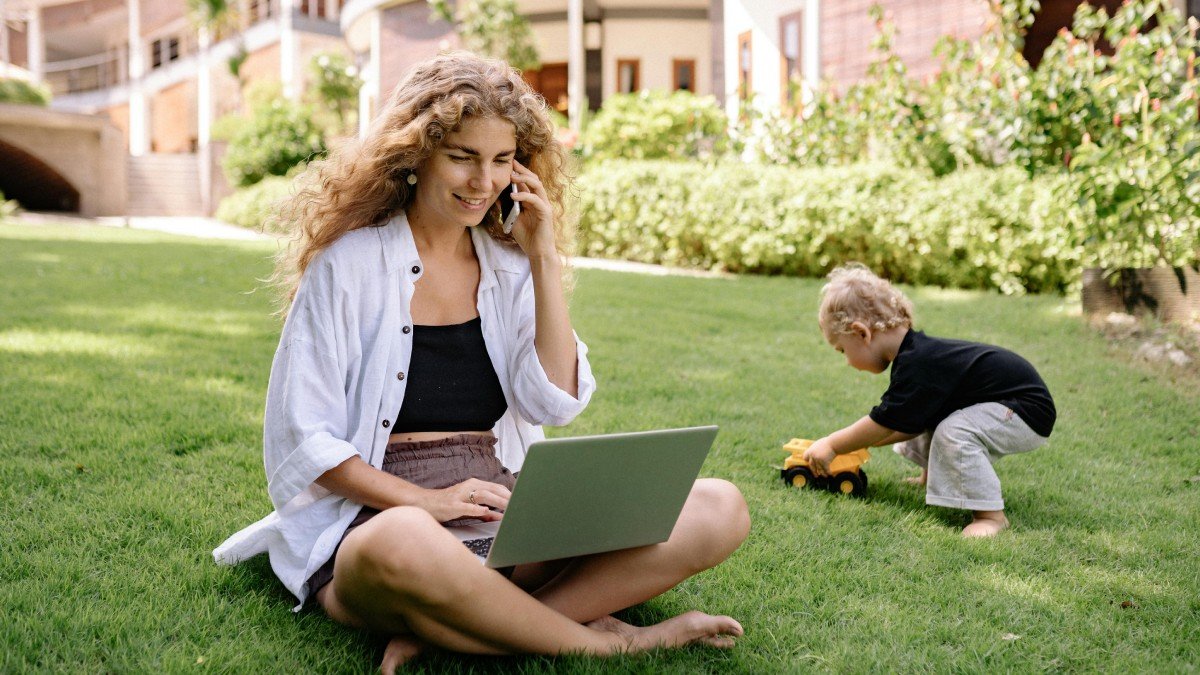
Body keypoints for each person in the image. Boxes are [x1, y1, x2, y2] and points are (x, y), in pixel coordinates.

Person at [212, 52, 750, 671]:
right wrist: (424, 502)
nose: (482, 181)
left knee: (718, 506)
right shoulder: (348, 264)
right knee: (407, 542)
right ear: (416, 154)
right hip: (380, 521)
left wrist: (544, 257)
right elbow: (304, 440)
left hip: (499, 508)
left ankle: (462, 626)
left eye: (501, 161)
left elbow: (553, 402)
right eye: (462, 157)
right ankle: (602, 638)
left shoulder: (509, 266)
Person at [802, 263, 1055, 537]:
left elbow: (885, 422)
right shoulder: (912, 359)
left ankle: (991, 517)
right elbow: (906, 424)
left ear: (862, 332)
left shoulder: (918, 362)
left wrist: (833, 444)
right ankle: (932, 476)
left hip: (1025, 409)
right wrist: (849, 446)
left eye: (842, 350)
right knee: (927, 415)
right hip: (1005, 403)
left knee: (954, 430)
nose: (847, 361)